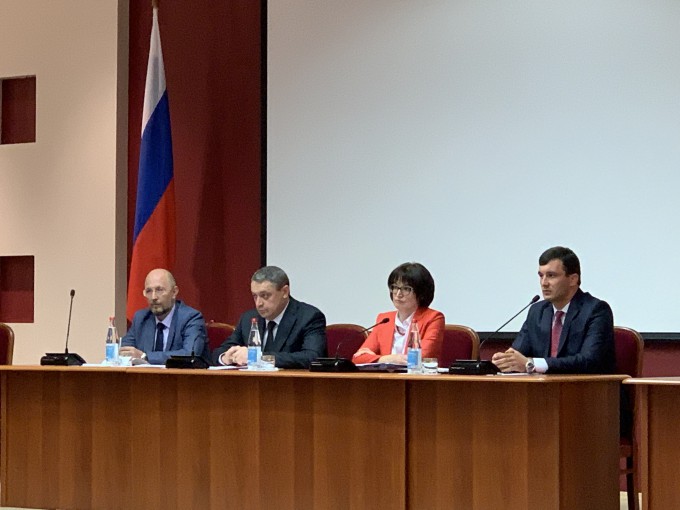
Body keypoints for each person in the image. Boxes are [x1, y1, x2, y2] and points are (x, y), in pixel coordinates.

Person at [491, 246, 615, 374]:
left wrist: (532, 364)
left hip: (586, 385)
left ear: (573, 279)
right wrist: (505, 361)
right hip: (543, 385)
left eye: (551, 276)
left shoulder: (596, 310)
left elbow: (589, 361)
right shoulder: (537, 311)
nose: (544, 283)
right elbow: (518, 353)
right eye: (541, 276)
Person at [212, 266, 327, 369]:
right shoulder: (248, 319)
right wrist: (226, 357)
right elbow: (218, 353)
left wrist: (259, 358)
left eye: (265, 295)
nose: (258, 303)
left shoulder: (309, 317)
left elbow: (312, 357)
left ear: (285, 292)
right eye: (255, 296)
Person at [352, 262, 444, 364]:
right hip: (386, 375)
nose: (398, 294)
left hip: (415, 374)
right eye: (395, 287)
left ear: (421, 293)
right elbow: (358, 358)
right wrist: (387, 359)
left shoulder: (433, 318)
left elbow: (420, 357)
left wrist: (379, 359)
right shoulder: (385, 319)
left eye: (406, 289)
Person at [120, 268, 208, 364]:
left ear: (174, 292)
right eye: (149, 291)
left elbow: (190, 354)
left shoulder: (191, 318)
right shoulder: (141, 318)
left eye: (159, 290)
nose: (153, 297)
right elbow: (125, 350)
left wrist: (145, 356)